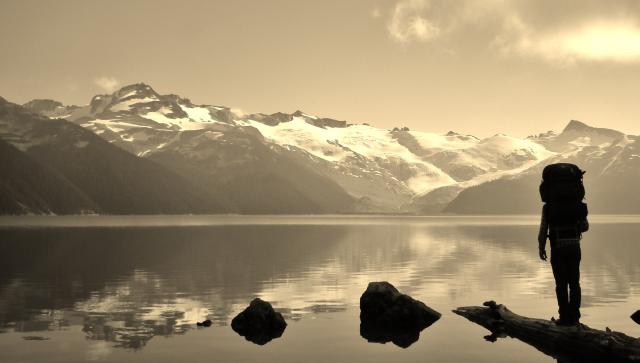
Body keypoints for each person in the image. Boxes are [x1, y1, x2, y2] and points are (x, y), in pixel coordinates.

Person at [538, 203, 589, 326]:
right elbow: (585, 227)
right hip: (574, 248)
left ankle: (564, 317)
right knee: (574, 284)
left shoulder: (548, 207)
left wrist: (541, 247)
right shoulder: (576, 204)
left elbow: (543, 228)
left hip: (557, 248)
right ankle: (575, 318)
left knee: (561, 285)